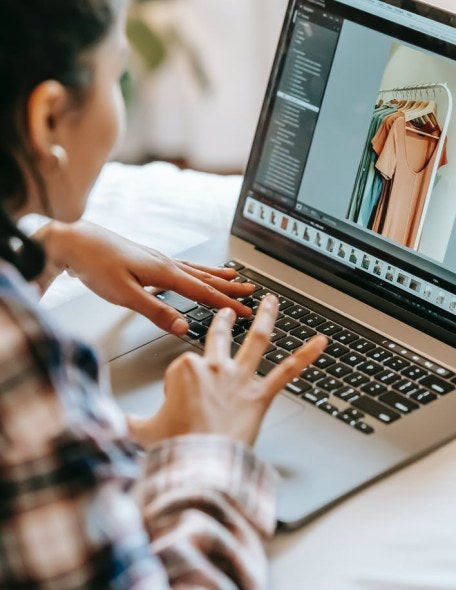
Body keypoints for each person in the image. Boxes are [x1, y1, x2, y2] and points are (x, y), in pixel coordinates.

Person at [0, 1, 327, 587]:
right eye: (115, 74)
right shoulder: (19, 355)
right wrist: (211, 448)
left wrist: (42, 246)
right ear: (48, 117)